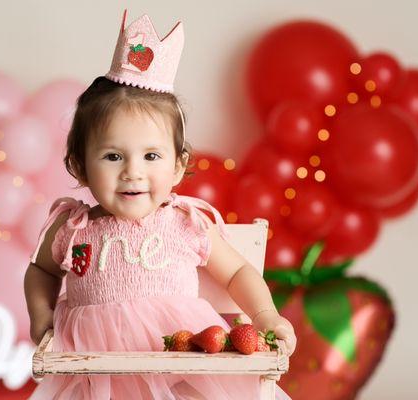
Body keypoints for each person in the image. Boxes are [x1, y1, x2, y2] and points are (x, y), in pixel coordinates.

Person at [24, 9, 296, 399]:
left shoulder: (184, 223)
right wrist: (42, 317)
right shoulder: (72, 227)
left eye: (151, 157)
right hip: (94, 376)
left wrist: (265, 315)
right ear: (80, 166)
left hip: (179, 368)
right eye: (113, 157)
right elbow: (42, 271)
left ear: (178, 166)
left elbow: (237, 272)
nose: (133, 172)